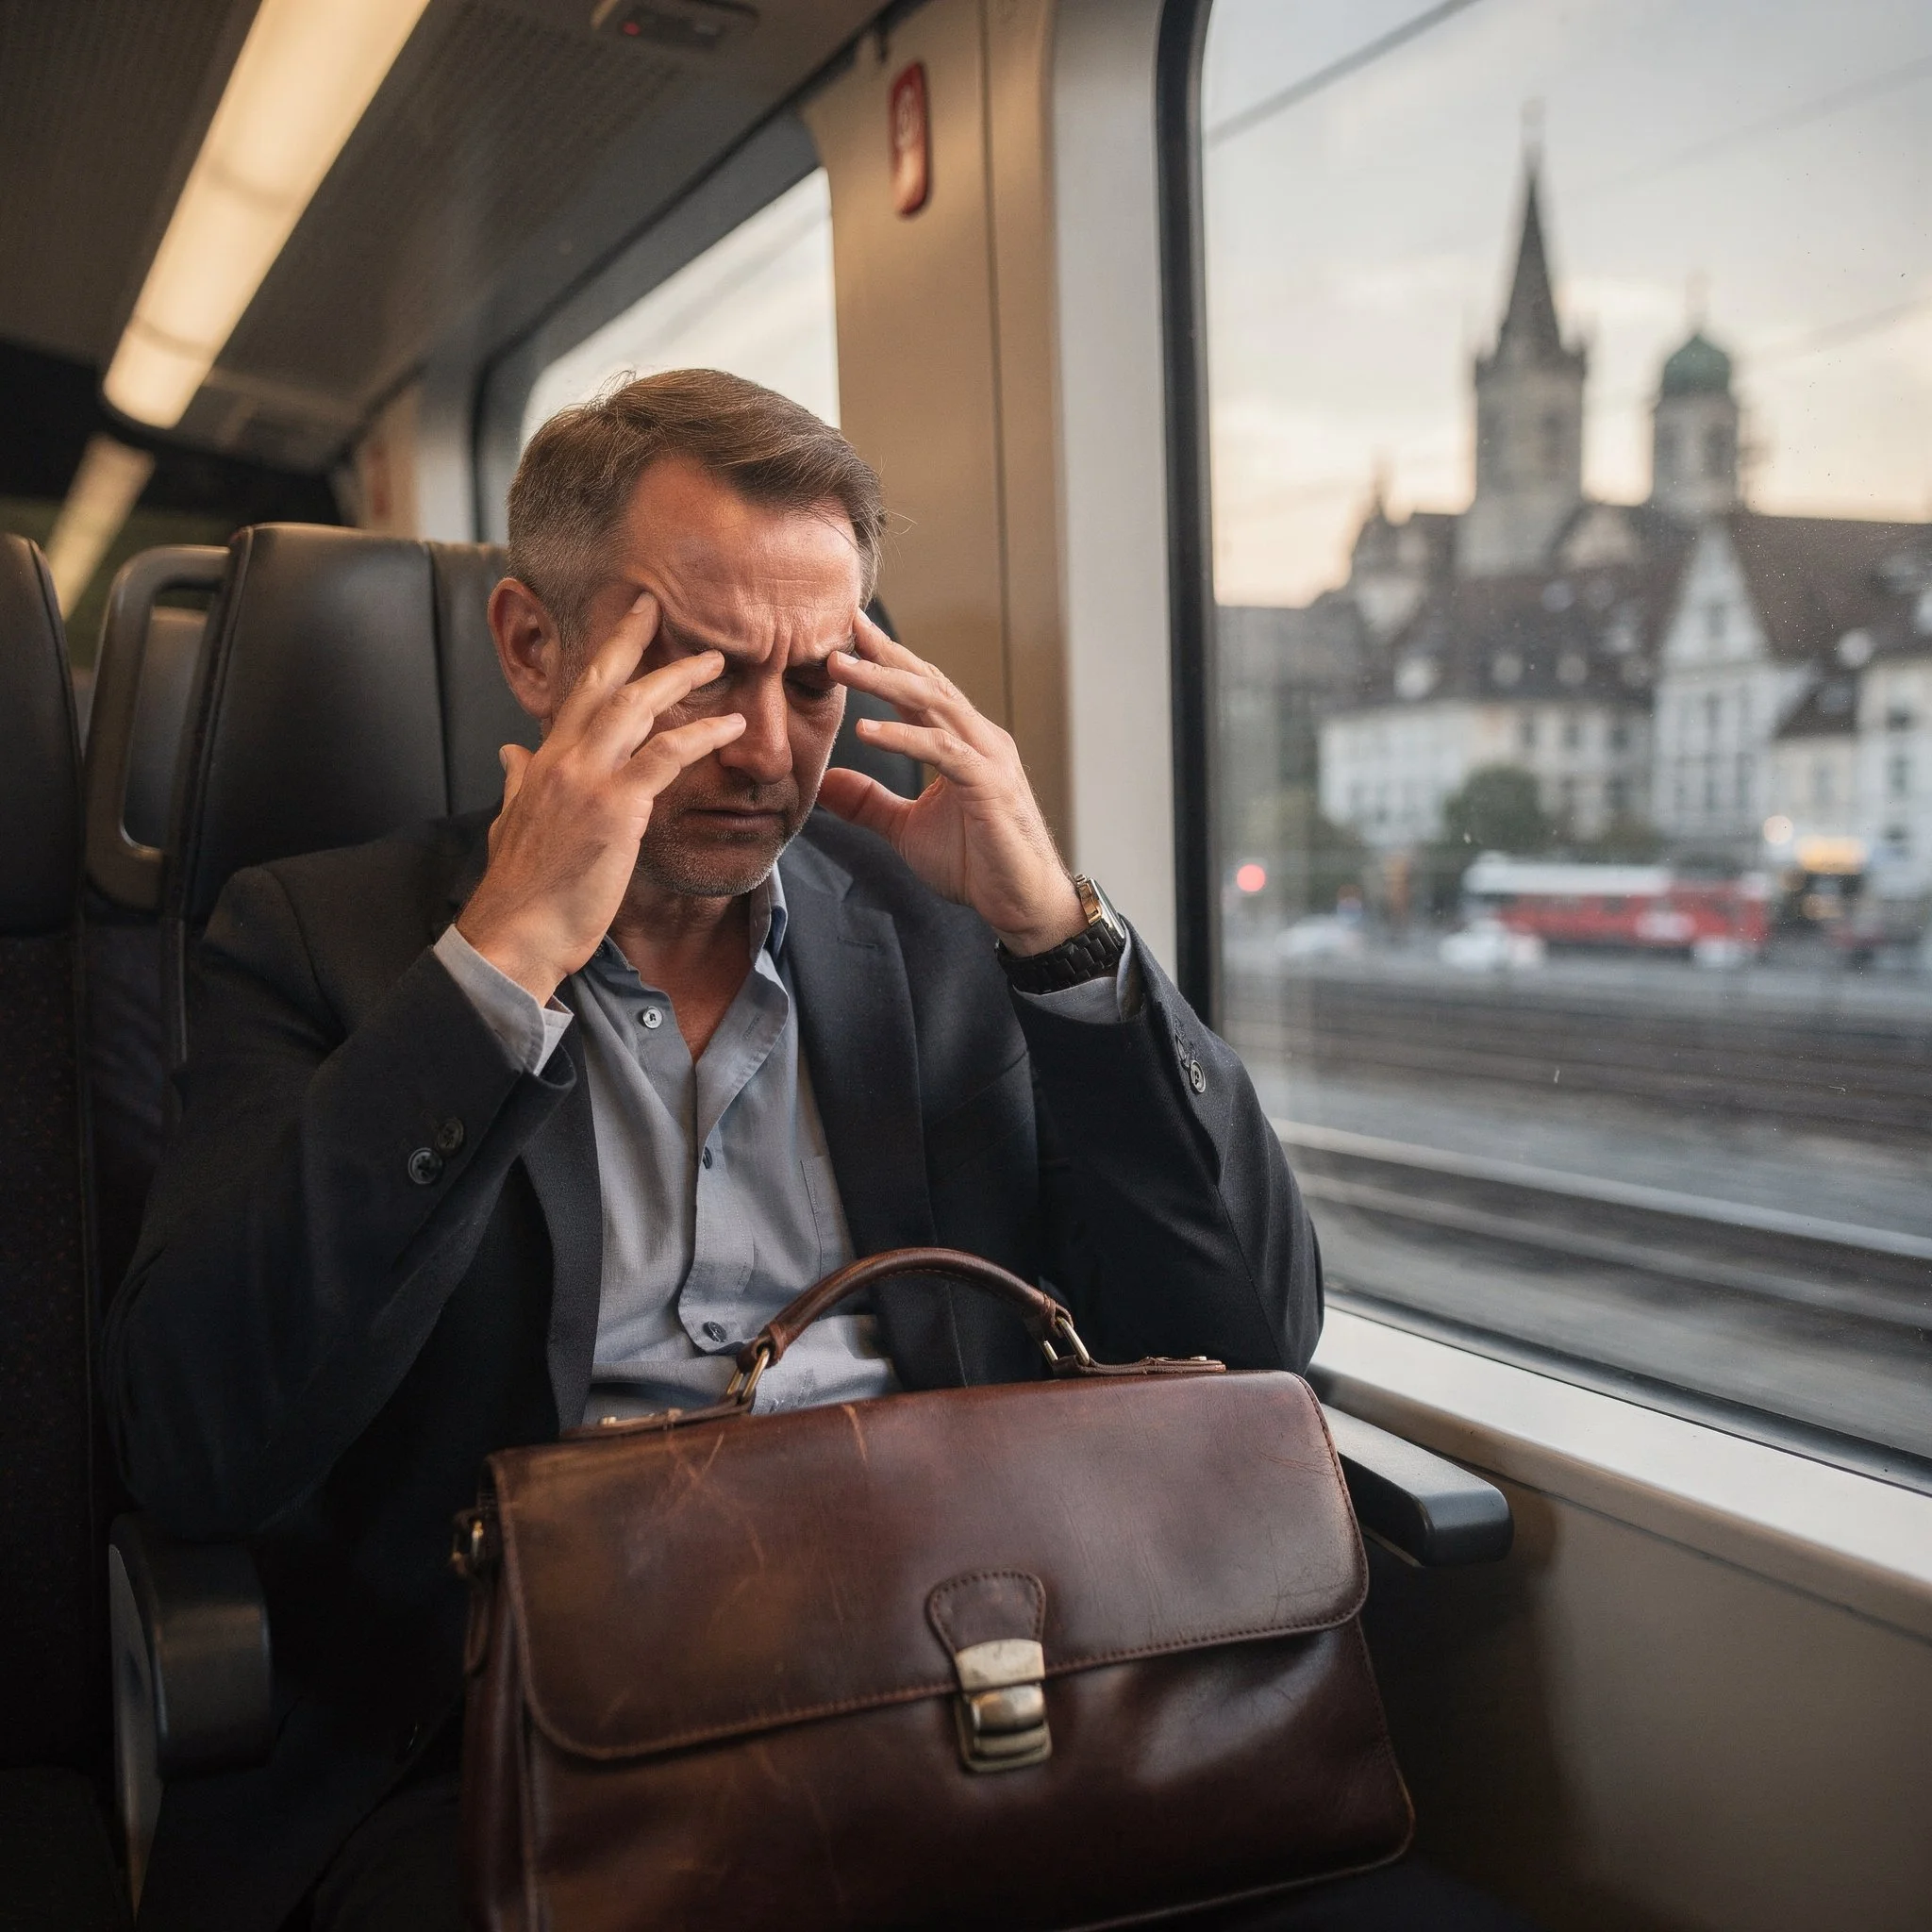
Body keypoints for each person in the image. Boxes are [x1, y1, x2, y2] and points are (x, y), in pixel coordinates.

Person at [104, 370, 1349, 1930]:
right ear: (534, 648)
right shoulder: (320, 943)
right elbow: (195, 1439)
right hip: (525, 1735)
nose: (770, 749)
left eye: (818, 680)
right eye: (698, 671)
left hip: (949, 1678)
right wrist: (498, 971)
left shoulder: (938, 932)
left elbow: (1250, 1332)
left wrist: (1058, 937)